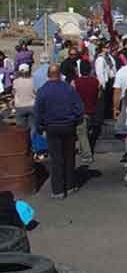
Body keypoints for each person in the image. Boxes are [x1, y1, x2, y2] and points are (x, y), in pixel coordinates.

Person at [35, 65, 83, 199]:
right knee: (69, 156)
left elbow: (38, 111)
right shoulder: (68, 89)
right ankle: (70, 185)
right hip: (68, 125)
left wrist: (40, 127)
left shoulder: (43, 91)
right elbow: (79, 107)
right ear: (59, 74)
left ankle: (58, 190)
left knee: (56, 159)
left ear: (48, 75)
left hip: (52, 127)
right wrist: (76, 120)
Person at [74, 61, 100, 164]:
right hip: (92, 109)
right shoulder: (96, 81)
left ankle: (87, 155)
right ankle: (82, 150)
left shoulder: (75, 82)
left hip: (80, 111)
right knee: (85, 131)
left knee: (82, 133)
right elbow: (99, 95)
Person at [94, 43, 117, 120]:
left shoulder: (109, 57)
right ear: (102, 48)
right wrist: (103, 84)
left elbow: (113, 67)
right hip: (105, 82)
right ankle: (104, 117)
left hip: (112, 80)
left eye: (108, 47)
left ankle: (109, 115)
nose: (108, 49)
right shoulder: (100, 59)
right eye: (106, 47)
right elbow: (100, 72)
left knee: (109, 100)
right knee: (104, 101)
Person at [13, 64, 36, 136]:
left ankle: (23, 143)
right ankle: (32, 143)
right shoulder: (33, 80)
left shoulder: (15, 81)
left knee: (22, 129)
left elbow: (13, 92)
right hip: (32, 105)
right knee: (33, 127)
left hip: (20, 106)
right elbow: (36, 92)